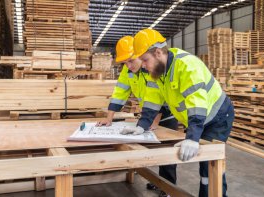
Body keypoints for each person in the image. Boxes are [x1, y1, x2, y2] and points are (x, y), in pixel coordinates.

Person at [130, 29, 234, 197]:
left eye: (144, 59)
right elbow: (152, 100)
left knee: (210, 165)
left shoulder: (186, 65)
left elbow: (197, 103)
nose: (142, 64)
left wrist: (192, 139)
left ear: (158, 53)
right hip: (200, 118)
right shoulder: (157, 72)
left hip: (217, 117)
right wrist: (142, 125)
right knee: (206, 165)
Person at [96, 35, 178, 197]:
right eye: (124, 62)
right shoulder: (129, 70)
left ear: (140, 55)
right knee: (153, 152)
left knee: (167, 154)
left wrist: (154, 121)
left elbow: (159, 98)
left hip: (166, 114)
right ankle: (159, 182)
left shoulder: (153, 67)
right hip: (149, 114)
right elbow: (120, 92)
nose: (128, 65)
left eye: (131, 61)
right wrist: (109, 117)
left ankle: (168, 189)